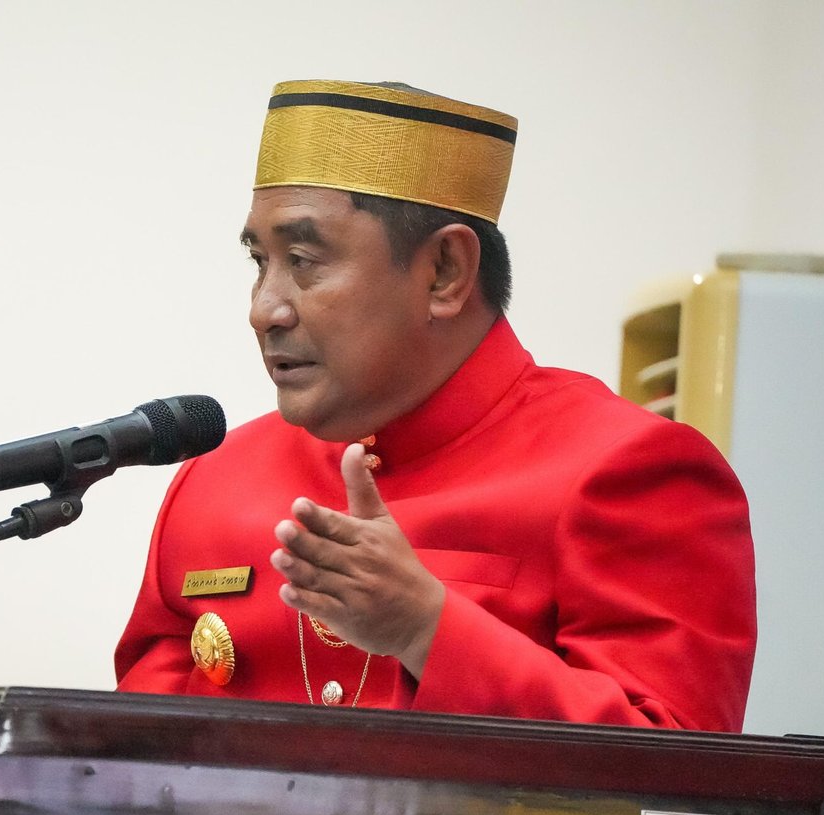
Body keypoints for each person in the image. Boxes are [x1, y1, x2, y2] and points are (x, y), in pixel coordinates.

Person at [114, 80, 756, 731]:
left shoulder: (627, 469)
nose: (264, 309)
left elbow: (678, 776)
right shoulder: (215, 481)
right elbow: (131, 761)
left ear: (445, 271)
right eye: (260, 261)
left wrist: (429, 629)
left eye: (303, 260)